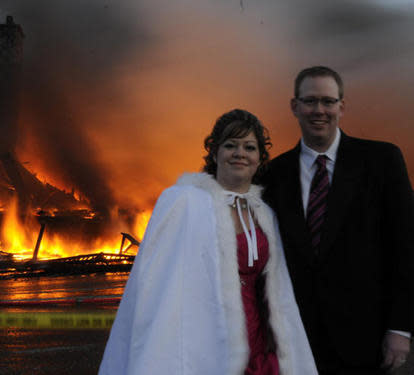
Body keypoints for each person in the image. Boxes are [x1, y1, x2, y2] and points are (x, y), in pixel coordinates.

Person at [99, 109, 317, 375]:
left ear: (260, 158)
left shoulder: (265, 214)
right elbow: (157, 283)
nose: (240, 153)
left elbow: (275, 287)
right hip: (205, 335)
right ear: (215, 153)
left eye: (249, 147)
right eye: (230, 145)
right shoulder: (186, 202)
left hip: (258, 342)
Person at [263, 66, 414, 374]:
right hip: (297, 339)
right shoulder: (273, 174)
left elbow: (406, 247)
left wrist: (401, 328)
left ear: (342, 107)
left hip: (366, 338)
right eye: (310, 101)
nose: (319, 110)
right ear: (295, 106)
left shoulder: (382, 161)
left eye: (328, 102)